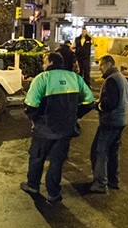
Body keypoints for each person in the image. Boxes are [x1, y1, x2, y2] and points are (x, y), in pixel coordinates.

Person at [20, 51, 95, 205]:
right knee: (57, 162)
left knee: (37, 158)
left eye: (44, 61)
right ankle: (53, 193)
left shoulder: (42, 78)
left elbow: (30, 105)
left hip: (44, 129)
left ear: (51, 63)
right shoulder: (75, 78)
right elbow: (90, 101)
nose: (43, 65)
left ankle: (33, 185)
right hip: (66, 130)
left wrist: (35, 120)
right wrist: (76, 114)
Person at [87, 54, 128, 194]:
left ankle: (100, 183)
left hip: (110, 121)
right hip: (121, 120)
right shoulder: (122, 78)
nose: (100, 70)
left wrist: (99, 106)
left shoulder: (111, 80)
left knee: (99, 151)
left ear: (108, 64)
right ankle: (113, 180)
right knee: (113, 151)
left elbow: (109, 103)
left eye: (101, 67)